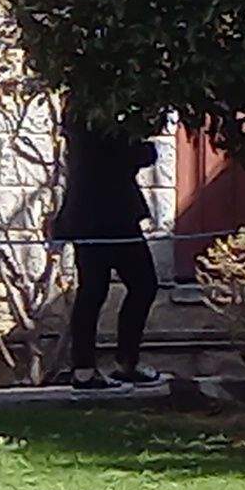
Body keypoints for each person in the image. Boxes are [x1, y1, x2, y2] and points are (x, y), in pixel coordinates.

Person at [50, 111, 167, 392]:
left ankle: (112, 365)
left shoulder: (84, 118)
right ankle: (93, 368)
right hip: (108, 217)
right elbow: (136, 155)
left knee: (106, 290)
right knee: (116, 288)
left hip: (98, 216)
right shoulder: (96, 119)